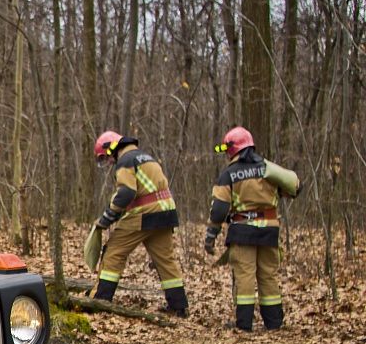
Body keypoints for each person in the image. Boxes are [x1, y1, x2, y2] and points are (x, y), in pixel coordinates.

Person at [205, 126, 301, 332]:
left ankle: (244, 324)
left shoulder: (229, 174)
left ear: (232, 149)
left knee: (245, 275)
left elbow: (219, 209)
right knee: (268, 275)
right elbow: (294, 188)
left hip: (243, 231)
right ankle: (274, 323)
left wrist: (211, 234)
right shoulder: (269, 170)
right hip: (269, 229)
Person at [90, 130, 188, 316]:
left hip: (144, 215)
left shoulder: (125, 161)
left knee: (114, 252)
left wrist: (108, 217)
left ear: (111, 148)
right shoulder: (145, 157)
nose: (109, 162)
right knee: (166, 261)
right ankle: (179, 306)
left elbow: (127, 193)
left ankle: (101, 300)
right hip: (165, 214)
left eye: (106, 157)